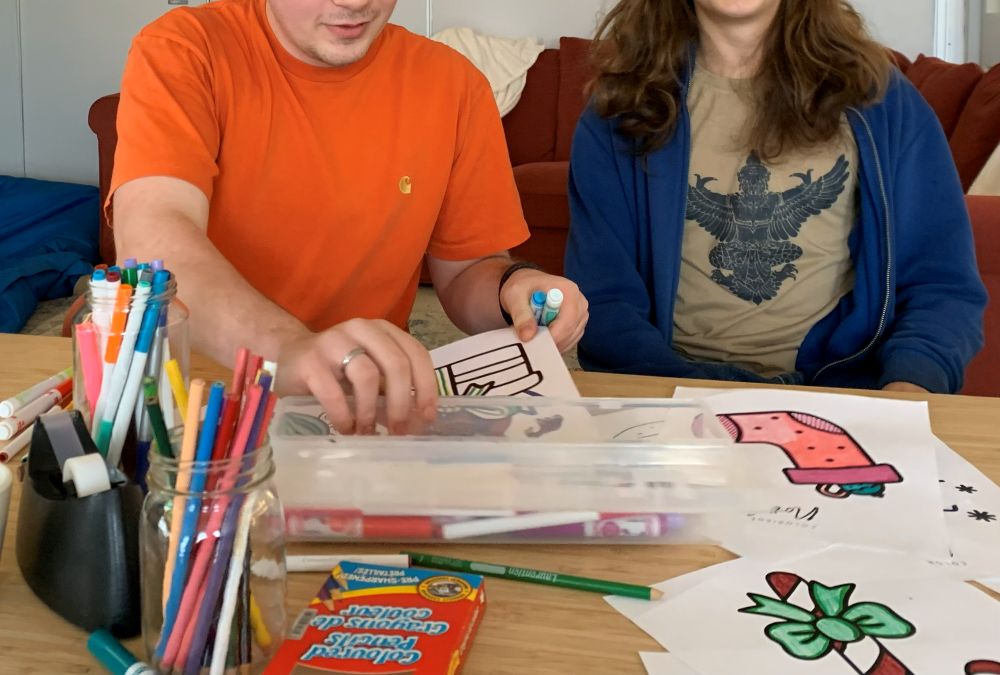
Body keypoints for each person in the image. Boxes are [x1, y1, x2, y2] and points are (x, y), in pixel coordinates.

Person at [110, 0, 588, 434]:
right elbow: (155, 238)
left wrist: (513, 290)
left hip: (364, 404)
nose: (356, 2)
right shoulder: (186, 47)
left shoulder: (454, 84)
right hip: (192, 402)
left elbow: (467, 271)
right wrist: (289, 349)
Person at [565, 0, 985, 394]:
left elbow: (941, 284)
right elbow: (605, 299)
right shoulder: (617, 112)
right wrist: (680, 393)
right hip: (673, 391)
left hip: (841, 390)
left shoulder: (880, 99)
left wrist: (910, 385)